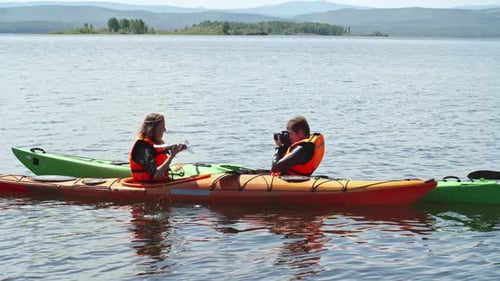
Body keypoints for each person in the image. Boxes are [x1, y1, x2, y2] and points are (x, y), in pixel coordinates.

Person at [129, 113, 186, 182]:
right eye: (162, 127)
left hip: (162, 183)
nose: (165, 129)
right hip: (149, 186)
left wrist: (177, 149)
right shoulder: (142, 147)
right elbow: (156, 174)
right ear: (152, 129)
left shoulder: (156, 143)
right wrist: (172, 156)